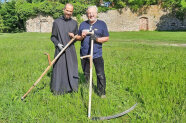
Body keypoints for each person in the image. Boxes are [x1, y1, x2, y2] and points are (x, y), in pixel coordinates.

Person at [77, 6, 109, 98]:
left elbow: (106, 38)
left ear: (96, 13)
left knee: (100, 74)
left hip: (97, 54)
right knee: (86, 73)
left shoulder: (102, 24)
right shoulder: (83, 24)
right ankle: (89, 88)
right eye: (89, 13)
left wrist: (97, 39)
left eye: (93, 13)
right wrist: (82, 36)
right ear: (87, 14)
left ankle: (101, 92)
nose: (91, 15)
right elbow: (78, 37)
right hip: (85, 54)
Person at [50, 3, 79, 95]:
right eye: (67, 10)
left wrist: (74, 37)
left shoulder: (74, 23)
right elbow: (53, 37)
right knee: (59, 69)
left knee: (71, 68)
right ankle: (58, 89)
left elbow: (77, 38)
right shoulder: (57, 22)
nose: (69, 13)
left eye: (71, 11)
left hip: (70, 50)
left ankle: (72, 88)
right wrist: (58, 44)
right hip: (60, 50)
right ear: (64, 10)